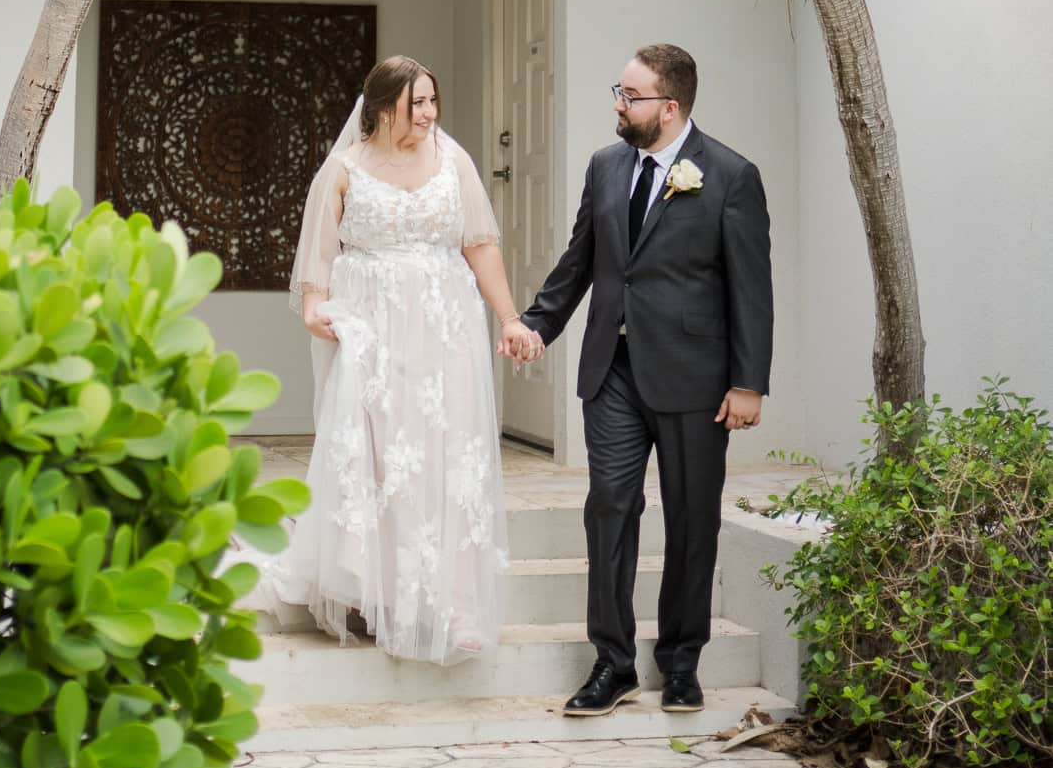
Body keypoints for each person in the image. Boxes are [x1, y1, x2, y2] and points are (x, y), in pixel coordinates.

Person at [502, 44, 772, 716]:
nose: (618, 106)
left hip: (696, 380)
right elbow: (581, 260)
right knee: (610, 510)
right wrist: (538, 323)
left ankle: (681, 664)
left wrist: (749, 383)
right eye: (618, 93)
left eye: (630, 95)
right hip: (613, 373)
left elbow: (751, 290)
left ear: (670, 107)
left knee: (691, 522)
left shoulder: (731, 176)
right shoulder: (604, 166)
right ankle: (612, 664)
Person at [252, 55, 525, 661]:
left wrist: (508, 317)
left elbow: (479, 245)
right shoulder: (345, 170)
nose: (429, 114)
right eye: (416, 104)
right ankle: (376, 592)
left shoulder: (454, 162)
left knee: (445, 453)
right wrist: (315, 308)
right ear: (381, 109)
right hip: (371, 328)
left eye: (432, 101)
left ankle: (451, 607)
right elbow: (318, 257)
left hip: (444, 327)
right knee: (379, 454)